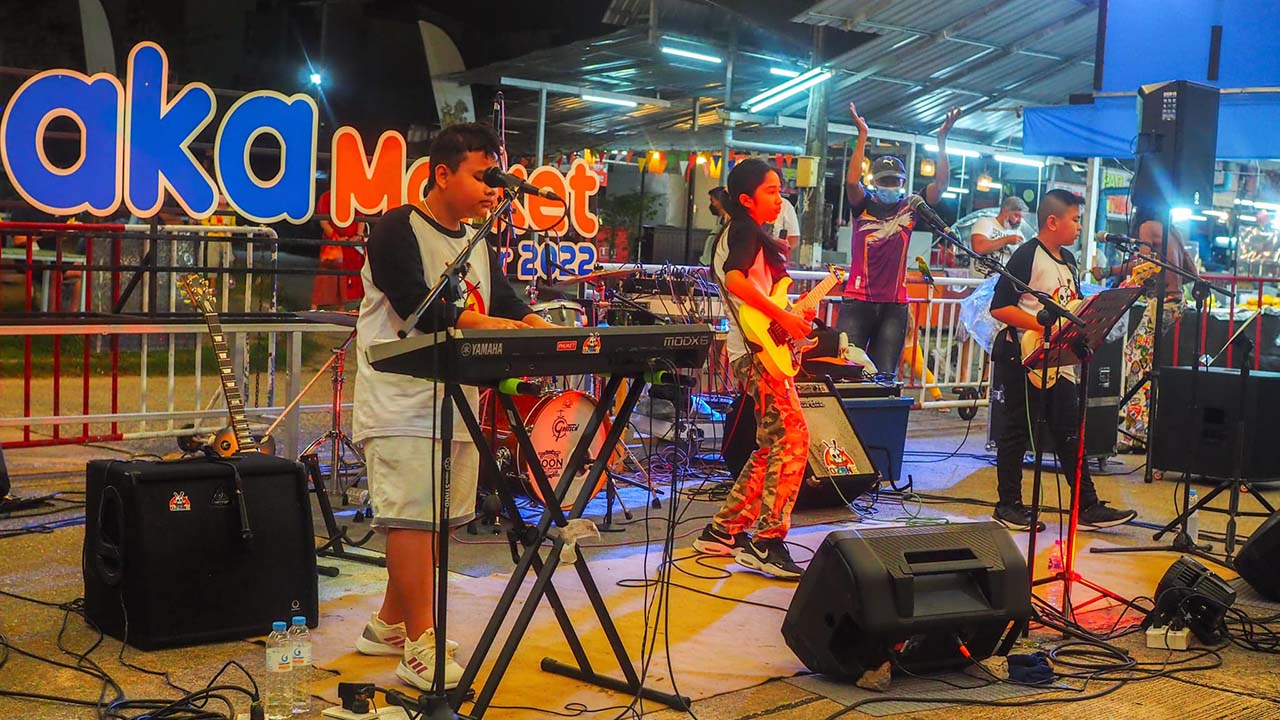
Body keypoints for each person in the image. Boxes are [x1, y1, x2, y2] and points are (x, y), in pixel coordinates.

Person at [351, 122, 557, 691]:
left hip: (457, 399)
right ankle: (422, 642)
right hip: (401, 400)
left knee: (437, 520)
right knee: (412, 518)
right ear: (442, 174)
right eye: (482, 175)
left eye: (497, 177)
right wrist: (492, 323)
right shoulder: (397, 227)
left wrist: (539, 327)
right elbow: (416, 305)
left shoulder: (478, 238)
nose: (493, 188)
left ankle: (389, 624)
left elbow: (505, 299)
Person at [989, 189, 1138, 532]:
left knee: (1070, 433)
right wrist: (1040, 324)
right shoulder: (1027, 255)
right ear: (1053, 222)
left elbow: (1073, 304)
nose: (1079, 226)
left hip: (1060, 360)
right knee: (1016, 430)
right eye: (1075, 219)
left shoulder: (1069, 260)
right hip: (1025, 355)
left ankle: (1086, 505)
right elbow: (1000, 307)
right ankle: (1008, 504)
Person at [692, 158, 812, 580]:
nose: (780, 199)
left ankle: (723, 530)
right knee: (793, 438)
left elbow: (754, 294)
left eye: (780, 190)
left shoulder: (744, 232)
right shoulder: (743, 229)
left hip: (754, 349)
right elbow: (737, 281)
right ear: (746, 199)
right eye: (771, 191)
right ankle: (766, 541)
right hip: (755, 352)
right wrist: (784, 320)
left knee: (771, 444)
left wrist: (790, 322)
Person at [840, 102, 961, 378]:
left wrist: (942, 141)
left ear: (903, 183)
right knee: (846, 371)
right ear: (875, 182)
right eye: (885, 181)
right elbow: (851, 183)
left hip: (894, 306)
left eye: (895, 181)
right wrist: (862, 135)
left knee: (885, 376)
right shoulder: (863, 205)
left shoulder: (911, 207)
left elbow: (941, 185)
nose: (889, 186)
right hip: (858, 301)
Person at [1092, 218, 1199, 446]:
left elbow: (1144, 264)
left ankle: (1138, 433)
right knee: (1145, 361)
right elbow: (1192, 272)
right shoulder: (1172, 229)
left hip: (1161, 302)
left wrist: (1108, 271)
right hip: (1177, 303)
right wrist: (1172, 283)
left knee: (1136, 360)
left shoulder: (1147, 226)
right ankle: (1146, 425)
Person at [311, 189, 367, 310]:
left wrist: (358, 236)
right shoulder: (326, 197)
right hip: (334, 244)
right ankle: (315, 306)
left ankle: (344, 307)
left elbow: (361, 217)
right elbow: (324, 223)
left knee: (356, 275)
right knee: (327, 276)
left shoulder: (354, 195)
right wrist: (336, 238)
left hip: (353, 244)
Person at [971, 196, 1029, 275]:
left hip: (1004, 280)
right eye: (1016, 216)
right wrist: (1006, 240)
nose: (1019, 221)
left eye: (1021, 217)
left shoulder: (1018, 234)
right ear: (1005, 211)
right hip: (980, 280)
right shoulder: (985, 222)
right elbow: (979, 248)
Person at [698, 186, 730, 265]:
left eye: (713, 201)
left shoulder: (729, 224)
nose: (712, 204)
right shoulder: (721, 222)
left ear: (721, 201)